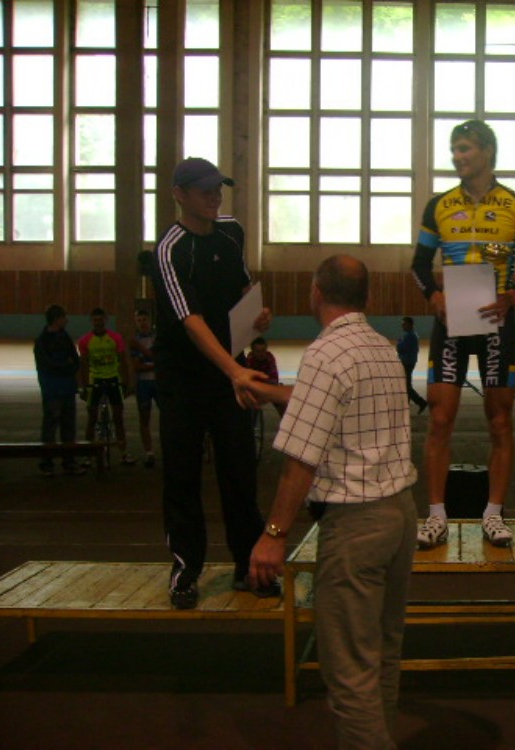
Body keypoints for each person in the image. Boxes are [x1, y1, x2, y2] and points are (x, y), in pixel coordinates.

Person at [248, 255, 417, 750]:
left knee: (349, 673)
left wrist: (274, 535)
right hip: (399, 516)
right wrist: (267, 391)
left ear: (316, 293)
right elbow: (327, 401)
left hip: (356, 527)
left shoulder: (324, 354)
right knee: (382, 654)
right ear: (366, 297)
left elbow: (302, 456)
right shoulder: (382, 349)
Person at [410, 119, 515, 549]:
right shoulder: (439, 205)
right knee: (439, 420)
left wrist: (513, 296)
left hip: (497, 324)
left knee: (501, 421)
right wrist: (433, 295)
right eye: (454, 149)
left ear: (487, 151)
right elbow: (419, 265)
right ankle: (436, 516)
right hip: (450, 323)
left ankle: (493, 514)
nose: (457, 156)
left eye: (465, 148)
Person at [151, 156, 274, 610]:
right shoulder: (170, 250)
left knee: (239, 470)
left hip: (228, 375)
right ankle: (186, 568)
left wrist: (255, 318)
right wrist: (234, 370)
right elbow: (190, 320)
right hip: (183, 380)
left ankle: (248, 564)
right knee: (182, 475)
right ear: (179, 195)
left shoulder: (231, 232)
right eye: (204, 190)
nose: (214, 197)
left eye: (218, 189)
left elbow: (241, 289)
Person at [77, 307, 136, 466]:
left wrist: (126, 382)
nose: (98, 323)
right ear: (91, 321)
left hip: (113, 379)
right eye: (95, 320)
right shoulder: (85, 340)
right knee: (92, 418)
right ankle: (88, 455)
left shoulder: (116, 338)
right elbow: (83, 365)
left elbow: (122, 360)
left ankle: (124, 452)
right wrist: (83, 386)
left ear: (106, 320)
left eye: (101, 320)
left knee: (118, 418)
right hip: (95, 380)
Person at [33, 304, 85, 477]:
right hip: (53, 389)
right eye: (64, 317)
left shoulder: (65, 337)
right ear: (57, 319)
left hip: (66, 388)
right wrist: (66, 367)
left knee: (68, 427)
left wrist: (67, 367)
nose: (66, 320)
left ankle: (69, 462)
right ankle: (47, 463)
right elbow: (47, 365)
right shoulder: (42, 341)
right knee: (50, 426)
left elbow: (75, 360)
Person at [129, 308, 158, 467]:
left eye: (144, 320)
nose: (142, 323)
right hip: (143, 383)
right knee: (144, 417)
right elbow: (137, 367)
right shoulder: (134, 341)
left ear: (150, 321)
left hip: (158, 382)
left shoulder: (157, 338)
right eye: (139, 321)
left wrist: (142, 351)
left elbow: (158, 359)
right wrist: (153, 364)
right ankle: (149, 452)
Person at [246, 337, 285, 417]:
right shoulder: (249, 360)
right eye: (258, 351)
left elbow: (274, 378)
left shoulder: (269, 358)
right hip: (255, 389)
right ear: (253, 351)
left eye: (263, 350)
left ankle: (285, 420)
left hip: (268, 387)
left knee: (282, 400)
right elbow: (249, 380)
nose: (261, 354)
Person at [396, 316, 428, 414]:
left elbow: (400, 348)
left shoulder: (410, 336)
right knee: (406, 385)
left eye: (404, 324)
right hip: (409, 362)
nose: (402, 326)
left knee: (406, 386)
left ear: (409, 325)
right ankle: (407, 404)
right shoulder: (411, 335)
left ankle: (421, 402)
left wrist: (399, 343)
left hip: (407, 362)